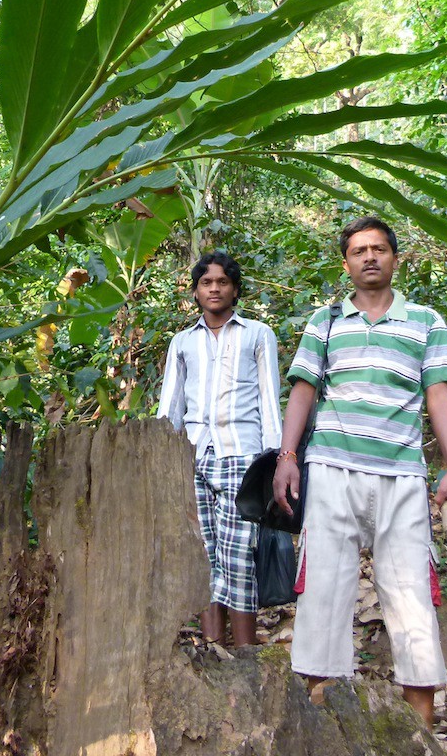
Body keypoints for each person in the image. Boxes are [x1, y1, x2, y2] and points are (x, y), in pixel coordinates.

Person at [273, 216, 447, 729]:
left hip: (401, 475)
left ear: (395, 258)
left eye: (379, 248)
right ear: (346, 263)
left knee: (412, 599)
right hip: (333, 470)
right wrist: (287, 458)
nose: (370, 257)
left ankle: (419, 734)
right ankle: (322, 729)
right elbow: (304, 389)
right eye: (359, 250)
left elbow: (439, 394)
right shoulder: (326, 320)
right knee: (322, 594)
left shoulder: (426, 320)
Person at [157, 251, 281, 647]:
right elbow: (171, 405)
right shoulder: (183, 341)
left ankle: (246, 653)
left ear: (235, 289)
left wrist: (274, 461)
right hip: (193, 456)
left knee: (240, 554)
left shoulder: (257, 334)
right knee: (204, 553)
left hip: (243, 457)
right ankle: (213, 651)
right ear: (196, 291)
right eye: (206, 283)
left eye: (222, 282)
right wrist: (164, 457)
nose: (214, 288)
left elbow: (269, 398)